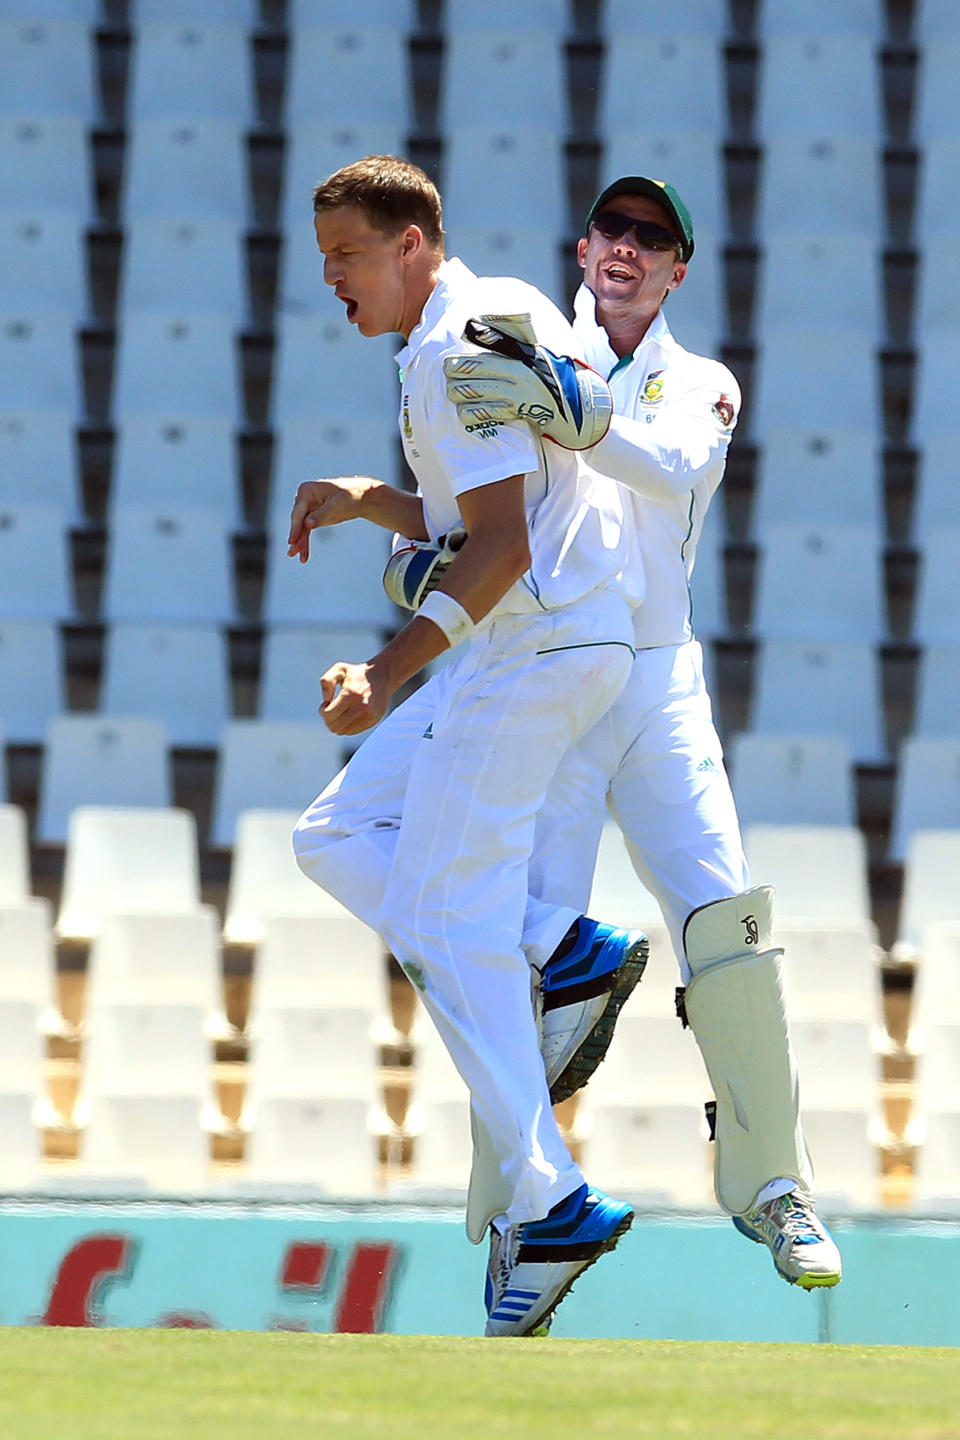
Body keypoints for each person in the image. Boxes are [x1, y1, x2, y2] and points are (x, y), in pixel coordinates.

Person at [442, 175, 843, 1290]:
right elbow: (474, 499)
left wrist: (565, 402)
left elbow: (668, 465)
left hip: (659, 690)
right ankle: (529, 1211)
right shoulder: (519, 341)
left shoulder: (701, 382)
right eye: (612, 228)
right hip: (552, 681)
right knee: (537, 953)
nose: (625, 247)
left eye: (651, 237)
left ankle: (775, 1186)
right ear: (584, 245)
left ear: (677, 269)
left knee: (728, 924)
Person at [287, 154, 644, 1338]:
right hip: (565, 640)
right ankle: (559, 944)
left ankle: (554, 1202)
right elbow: (498, 506)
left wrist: (386, 677)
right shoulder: (500, 311)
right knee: (334, 835)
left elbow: (498, 550)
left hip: (531, 652)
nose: (328, 276)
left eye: (345, 254)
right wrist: (372, 500)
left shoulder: (447, 355)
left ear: (410, 246)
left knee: (443, 928)